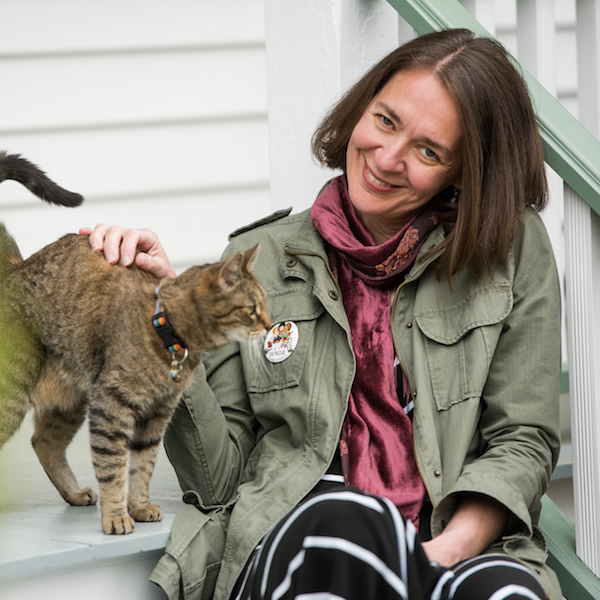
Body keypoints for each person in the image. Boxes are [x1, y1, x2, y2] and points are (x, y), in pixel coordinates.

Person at [83, 28, 562, 600]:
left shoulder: (511, 250)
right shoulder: (262, 262)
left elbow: (522, 438)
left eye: (428, 151)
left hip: (454, 542)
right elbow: (218, 480)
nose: (387, 159)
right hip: (303, 534)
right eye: (385, 121)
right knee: (345, 526)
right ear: (362, 108)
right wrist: (170, 317)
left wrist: (431, 558)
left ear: (464, 174)